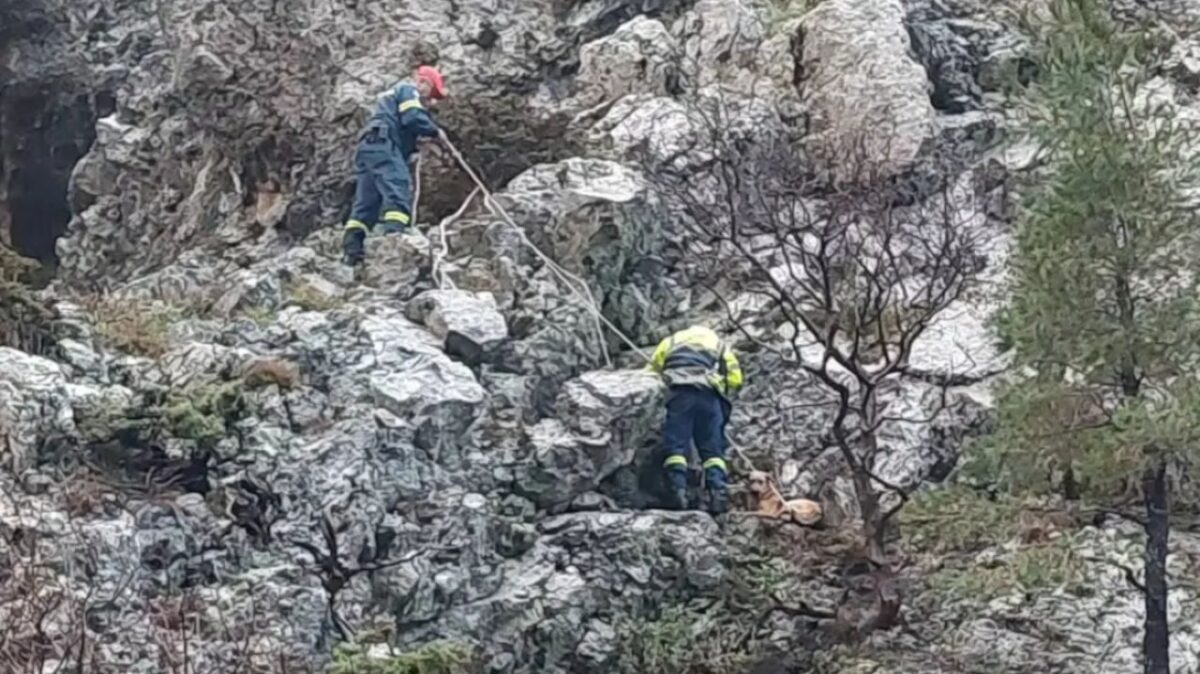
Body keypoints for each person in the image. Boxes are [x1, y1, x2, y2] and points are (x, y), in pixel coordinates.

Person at [342, 65, 448, 266]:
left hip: (368, 148)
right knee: (398, 186)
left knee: (366, 203)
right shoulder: (408, 90)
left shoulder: (390, 99)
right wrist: (434, 131)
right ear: (422, 82)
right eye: (431, 93)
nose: (430, 101)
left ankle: (352, 253)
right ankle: (394, 238)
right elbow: (412, 117)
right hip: (384, 145)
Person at [646, 325, 743, 515]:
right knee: (712, 449)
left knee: (676, 445)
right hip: (708, 396)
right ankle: (717, 495)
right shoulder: (717, 343)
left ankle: (678, 492)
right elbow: (735, 379)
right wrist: (722, 390)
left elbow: (650, 374)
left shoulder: (671, 341)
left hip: (679, 395)